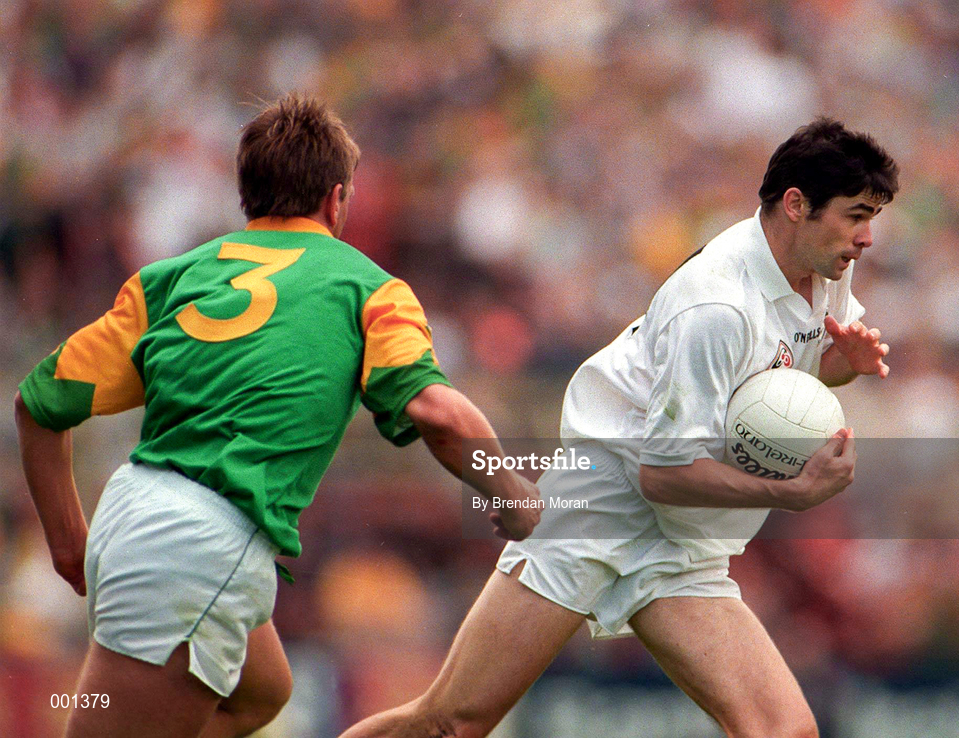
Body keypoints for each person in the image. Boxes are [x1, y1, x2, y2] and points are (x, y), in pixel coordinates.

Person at [339, 118, 899, 738]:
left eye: (871, 216)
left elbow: (778, 381)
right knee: (451, 724)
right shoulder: (714, 305)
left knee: (784, 732)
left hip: (678, 540)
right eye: (855, 215)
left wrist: (839, 367)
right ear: (796, 205)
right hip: (598, 507)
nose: (867, 237)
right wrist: (789, 492)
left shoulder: (827, 267)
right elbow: (661, 473)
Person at [14, 93, 541, 738]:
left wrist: (72, 545)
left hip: (139, 514)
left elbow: (37, 405)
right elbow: (436, 411)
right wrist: (513, 493)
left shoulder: (169, 279)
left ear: (248, 198)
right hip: (200, 544)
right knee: (95, 719)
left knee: (262, 694)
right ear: (336, 199)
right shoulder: (369, 288)